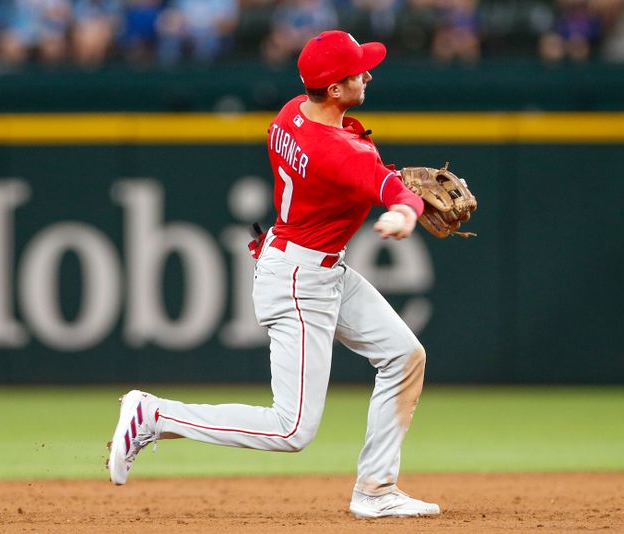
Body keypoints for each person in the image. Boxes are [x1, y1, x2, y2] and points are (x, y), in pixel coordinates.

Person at [107, 29, 440, 519]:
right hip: (300, 279)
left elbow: (359, 166)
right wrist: (406, 212)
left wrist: (390, 191)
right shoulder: (342, 152)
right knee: (291, 429)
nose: (367, 75)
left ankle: (376, 488)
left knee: (404, 356)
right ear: (334, 90)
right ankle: (154, 415)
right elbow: (390, 189)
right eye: (357, 72)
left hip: (311, 263)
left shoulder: (291, 112)